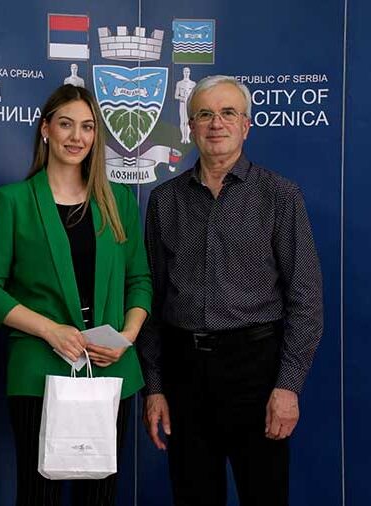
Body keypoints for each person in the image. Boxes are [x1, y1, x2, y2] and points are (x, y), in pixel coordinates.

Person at [138, 75, 323, 506]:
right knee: (193, 496)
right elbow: (152, 301)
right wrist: (155, 387)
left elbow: (306, 299)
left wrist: (288, 386)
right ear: (190, 126)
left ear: (246, 125)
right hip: (184, 372)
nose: (216, 123)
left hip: (256, 370)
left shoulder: (279, 196)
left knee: (265, 496)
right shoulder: (165, 201)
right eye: (204, 114)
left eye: (228, 113)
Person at [0, 84, 152, 506]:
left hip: (110, 369)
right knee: (40, 495)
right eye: (66, 124)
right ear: (45, 129)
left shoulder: (119, 201)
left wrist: (126, 337)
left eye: (87, 127)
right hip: (39, 370)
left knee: (99, 497)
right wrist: (49, 330)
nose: (77, 137)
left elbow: (140, 280)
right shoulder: (13, 201)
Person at [174, 67, 195, 144]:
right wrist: (183, 97)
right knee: (182, 121)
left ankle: (187, 137)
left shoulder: (193, 84)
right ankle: (183, 137)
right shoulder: (179, 83)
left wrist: (188, 96)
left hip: (189, 104)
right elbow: (176, 96)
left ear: (190, 73)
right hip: (182, 104)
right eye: (185, 72)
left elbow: (195, 95)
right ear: (183, 72)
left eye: (188, 72)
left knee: (188, 121)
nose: (186, 73)